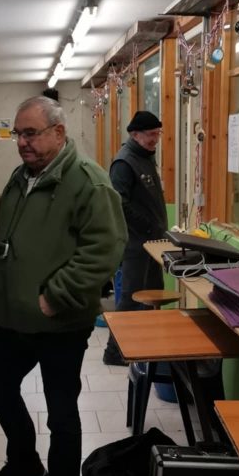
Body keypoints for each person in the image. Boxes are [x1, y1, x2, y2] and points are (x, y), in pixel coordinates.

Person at [0, 96, 126, 476]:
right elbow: (0, 235)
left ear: (58, 133)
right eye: (17, 134)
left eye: (31, 133)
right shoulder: (21, 178)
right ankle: (24, 461)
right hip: (12, 319)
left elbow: (104, 250)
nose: (22, 142)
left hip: (60, 324)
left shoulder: (88, 183)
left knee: (61, 414)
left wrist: (56, 295)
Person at [103, 109, 168, 366]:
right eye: (151, 134)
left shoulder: (145, 157)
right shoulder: (124, 162)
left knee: (153, 294)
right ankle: (113, 352)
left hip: (152, 243)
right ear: (135, 134)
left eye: (158, 134)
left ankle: (144, 345)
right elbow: (119, 203)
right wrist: (148, 226)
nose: (155, 139)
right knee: (131, 298)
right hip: (135, 244)